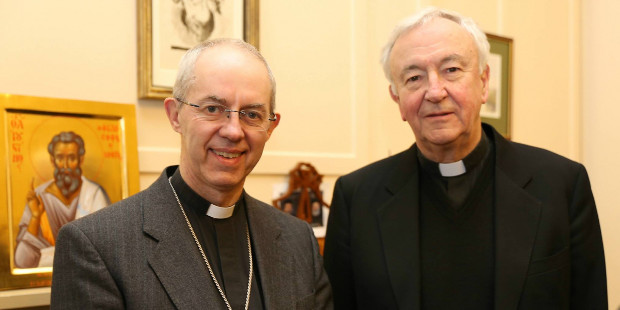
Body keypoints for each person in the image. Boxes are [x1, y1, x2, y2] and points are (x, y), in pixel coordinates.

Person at [323, 7, 607, 310]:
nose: (434, 91)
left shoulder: (561, 185)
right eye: (414, 77)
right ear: (398, 99)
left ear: (484, 82)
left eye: (452, 70)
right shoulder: (356, 198)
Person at [51, 39, 332, 309]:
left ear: (271, 127)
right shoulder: (97, 246)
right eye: (213, 109)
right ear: (175, 115)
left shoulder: (298, 241)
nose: (233, 130)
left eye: (252, 114)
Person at [14, 131, 110, 268]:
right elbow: (22, 261)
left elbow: (105, 250)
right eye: (60, 158)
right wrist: (35, 216)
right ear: (52, 161)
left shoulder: (94, 195)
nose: (65, 166)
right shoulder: (39, 196)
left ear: (80, 160)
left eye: (71, 158)